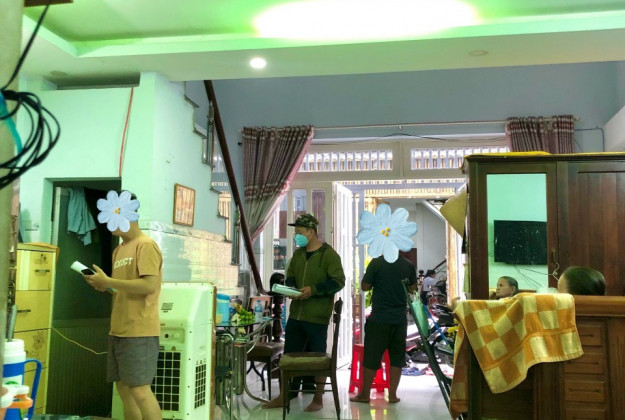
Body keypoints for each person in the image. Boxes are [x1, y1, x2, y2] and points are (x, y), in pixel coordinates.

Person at [84, 191, 163, 420]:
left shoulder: (146, 245)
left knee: (140, 390)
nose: (108, 224)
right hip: (119, 329)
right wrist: (104, 286)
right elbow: (123, 288)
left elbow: (149, 285)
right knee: (123, 389)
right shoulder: (119, 250)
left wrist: (109, 281)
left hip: (140, 330)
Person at [262, 214, 345, 412]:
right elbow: (290, 276)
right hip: (296, 316)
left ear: (311, 232)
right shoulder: (298, 255)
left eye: (299, 232)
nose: (296, 236)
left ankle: (318, 398)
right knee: (290, 356)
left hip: (317, 317)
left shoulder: (328, 255)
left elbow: (338, 281)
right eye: (296, 232)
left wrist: (313, 290)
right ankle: (285, 395)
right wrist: (290, 288)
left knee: (318, 359)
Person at [350, 255, 417, 404]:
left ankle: (365, 395)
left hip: (379, 318)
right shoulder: (408, 265)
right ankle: (392, 396)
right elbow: (413, 289)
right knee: (397, 357)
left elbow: (365, 287)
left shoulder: (377, 263)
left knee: (372, 356)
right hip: (399, 319)